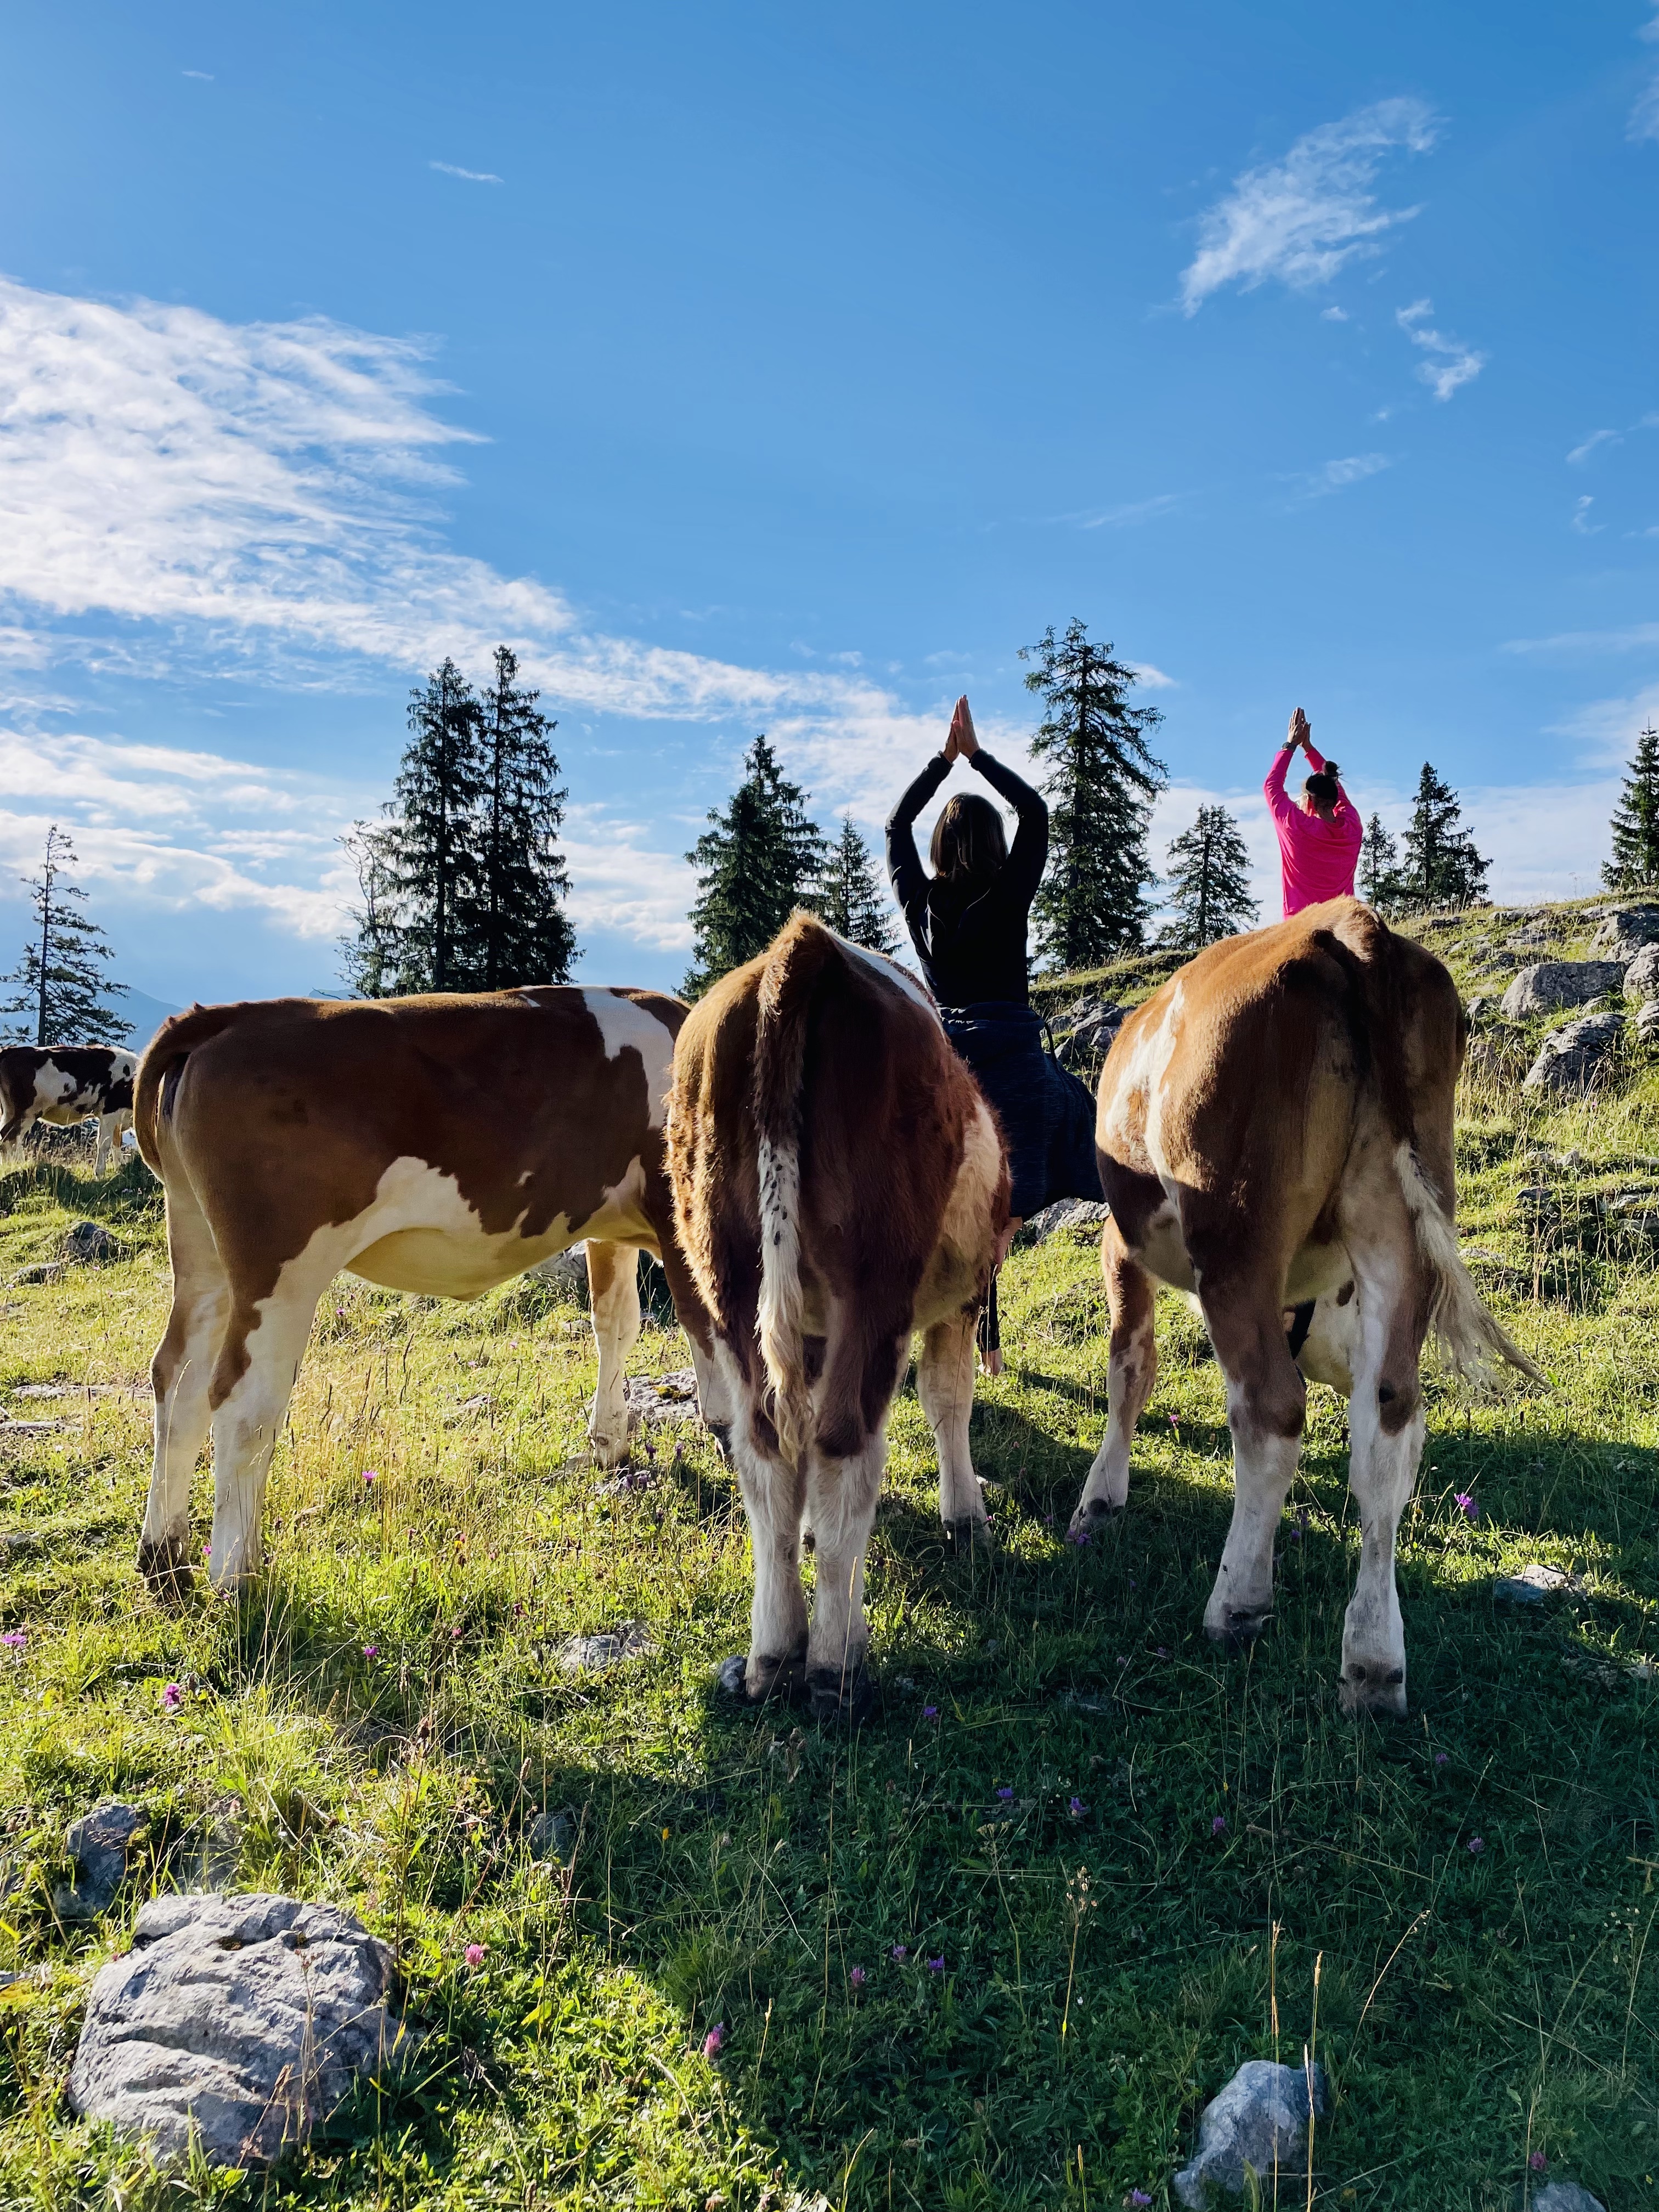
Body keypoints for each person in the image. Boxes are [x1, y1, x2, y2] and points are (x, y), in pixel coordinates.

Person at [887, 696, 1099, 1370]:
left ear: (940, 848)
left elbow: (896, 824)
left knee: (963, 1193)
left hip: (950, 1062)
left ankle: (988, 1339)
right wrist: (976, 758)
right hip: (1013, 1062)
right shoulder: (1007, 896)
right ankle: (1011, 1236)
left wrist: (941, 763)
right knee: (1091, 1125)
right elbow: (1036, 811)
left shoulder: (921, 904)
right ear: (996, 845)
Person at [1265, 706, 1363, 918]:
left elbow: (1271, 787)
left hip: (1301, 923)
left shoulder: (1296, 826)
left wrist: (1291, 744)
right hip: (1341, 921)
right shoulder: (1352, 827)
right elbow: (1335, 788)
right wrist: (1308, 748)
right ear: (1334, 801)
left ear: (1309, 801)